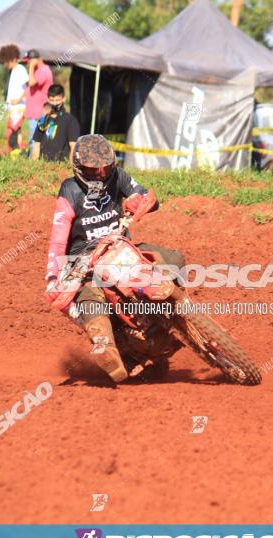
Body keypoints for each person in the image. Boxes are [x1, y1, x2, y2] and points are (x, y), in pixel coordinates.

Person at [45, 134, 185, 383]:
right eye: (93, 169)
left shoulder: (118, 176)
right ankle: (107, 348)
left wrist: (140, 201)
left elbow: (148, 198)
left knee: (173, 258)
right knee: (90, 300)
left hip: (122, 249)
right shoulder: (69, 190)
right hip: (86, 264)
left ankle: (176, 312)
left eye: (106, 167)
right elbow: (57, 239)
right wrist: (52, 276)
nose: (101, 174)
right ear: (79, 169)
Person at [31, 84, 80, 161]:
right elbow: (37, 144)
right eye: (52, 100)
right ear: (48, 100)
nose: (54, 103)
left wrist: (70, 168)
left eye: (57, 100)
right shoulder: (43, 120)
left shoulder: (70, 120)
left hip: (61, 167)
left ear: (63, 99)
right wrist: (33, 167)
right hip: (42, 166)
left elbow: (73, 146)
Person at [21, 49, 54, 158]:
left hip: (38, 113)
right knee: (34, 140)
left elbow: (32, 82)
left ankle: (33, 164)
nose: (27, 63)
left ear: (34, 60)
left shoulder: (44, 71)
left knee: (34, 140)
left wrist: (31, 67)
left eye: (28, 61)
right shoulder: (38, 71)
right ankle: (35, 161)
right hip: (34, 113)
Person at [0, 44, 27, 155]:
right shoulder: (12, 71)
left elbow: (28, 88)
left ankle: (20, 153)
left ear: (14, 59)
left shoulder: (20, 69)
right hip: (11, 108)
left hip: (19, 108)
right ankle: (16, 154)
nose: (5, 64)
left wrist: (19, 99)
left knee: (15, 133)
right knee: (12, 132)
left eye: (7, 62)